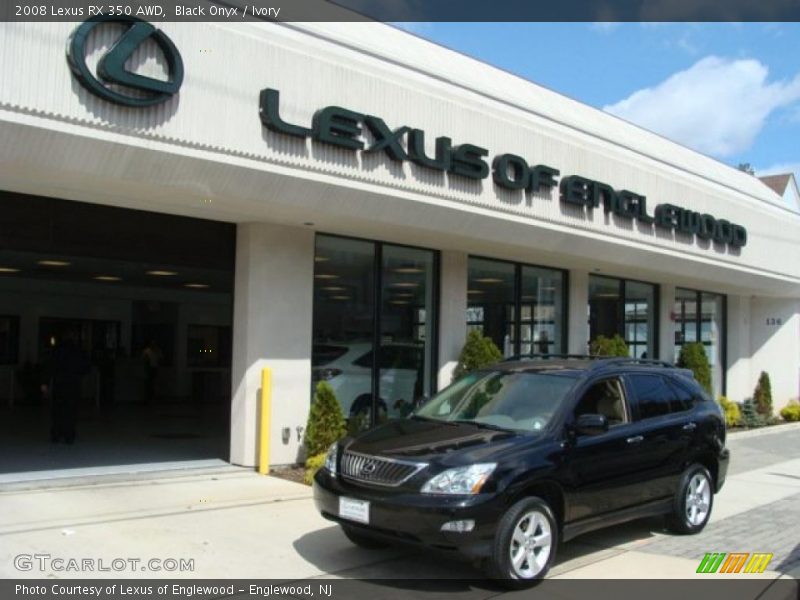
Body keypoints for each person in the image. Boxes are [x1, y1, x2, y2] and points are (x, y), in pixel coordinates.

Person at [43, 330, 91, 444]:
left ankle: (56, 434)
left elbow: (49, 366)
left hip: (59, 384)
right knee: (71, 411)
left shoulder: (56, 350)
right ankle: (69, 435)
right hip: (73, 384)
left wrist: (45, 383)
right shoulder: (79, 351)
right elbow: (86, 368)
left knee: (57, 410)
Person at [142, 339, 163, 405]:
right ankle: (149, 398)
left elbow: (161, 358)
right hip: (149, 368)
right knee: (149, 383)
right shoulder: (147, 351)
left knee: (154, 383)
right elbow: (144, 359)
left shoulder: (157, 351)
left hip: (155, 367)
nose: (153, 345)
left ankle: (153, 398)